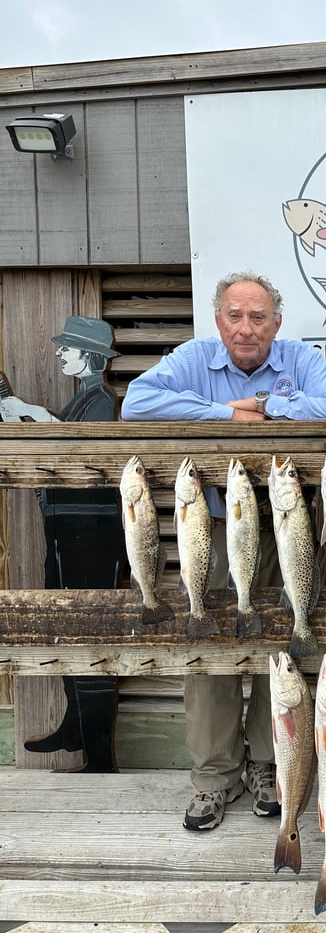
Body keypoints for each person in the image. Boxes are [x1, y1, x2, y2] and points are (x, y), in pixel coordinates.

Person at [121, 271, 326, 832]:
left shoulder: (299, 358)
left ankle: (269, 767)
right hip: (216, 531)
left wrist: (267, 404)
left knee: (284, 652)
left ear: (277, 321)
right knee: (210, 655)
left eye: (258, 317)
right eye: (234, 316)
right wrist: (228, 413)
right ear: (218, 319)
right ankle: (213, 778)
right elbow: (137, 401)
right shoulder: (194, 357)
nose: (246, 329)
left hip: (291, 528)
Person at [6, 317, 126, 772]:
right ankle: (76, 726)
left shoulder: (100, 400)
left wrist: (37, 418)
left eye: (67, 349)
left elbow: (79, 453)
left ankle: (99, 755)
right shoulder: (81, 399)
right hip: (66, 528)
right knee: (64, 626)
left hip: (91, 533)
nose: (59, 354)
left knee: (89, 632)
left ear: (89, 356)